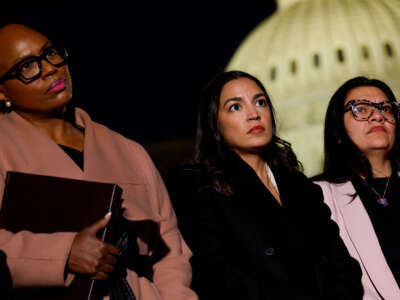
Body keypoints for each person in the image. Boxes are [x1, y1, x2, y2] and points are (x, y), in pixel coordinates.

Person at [0, 23, 197, 300]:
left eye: (50, 53)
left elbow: (170, 248)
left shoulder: (128, 151)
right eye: (27, 67)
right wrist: (63, 252)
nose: (49, 68)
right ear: (3, 92)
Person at [167, 70, 363, 299]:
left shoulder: (300, 185)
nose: (254, 114)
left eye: (260, 102)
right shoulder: (198, 186)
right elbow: (215, 277)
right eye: (235, 107)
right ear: (215, 123)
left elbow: (342, 265)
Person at [313, 76, 400, 299]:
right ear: (337, 132)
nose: (378, 116)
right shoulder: (316, 196)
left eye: (386, 108)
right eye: (360, 109)